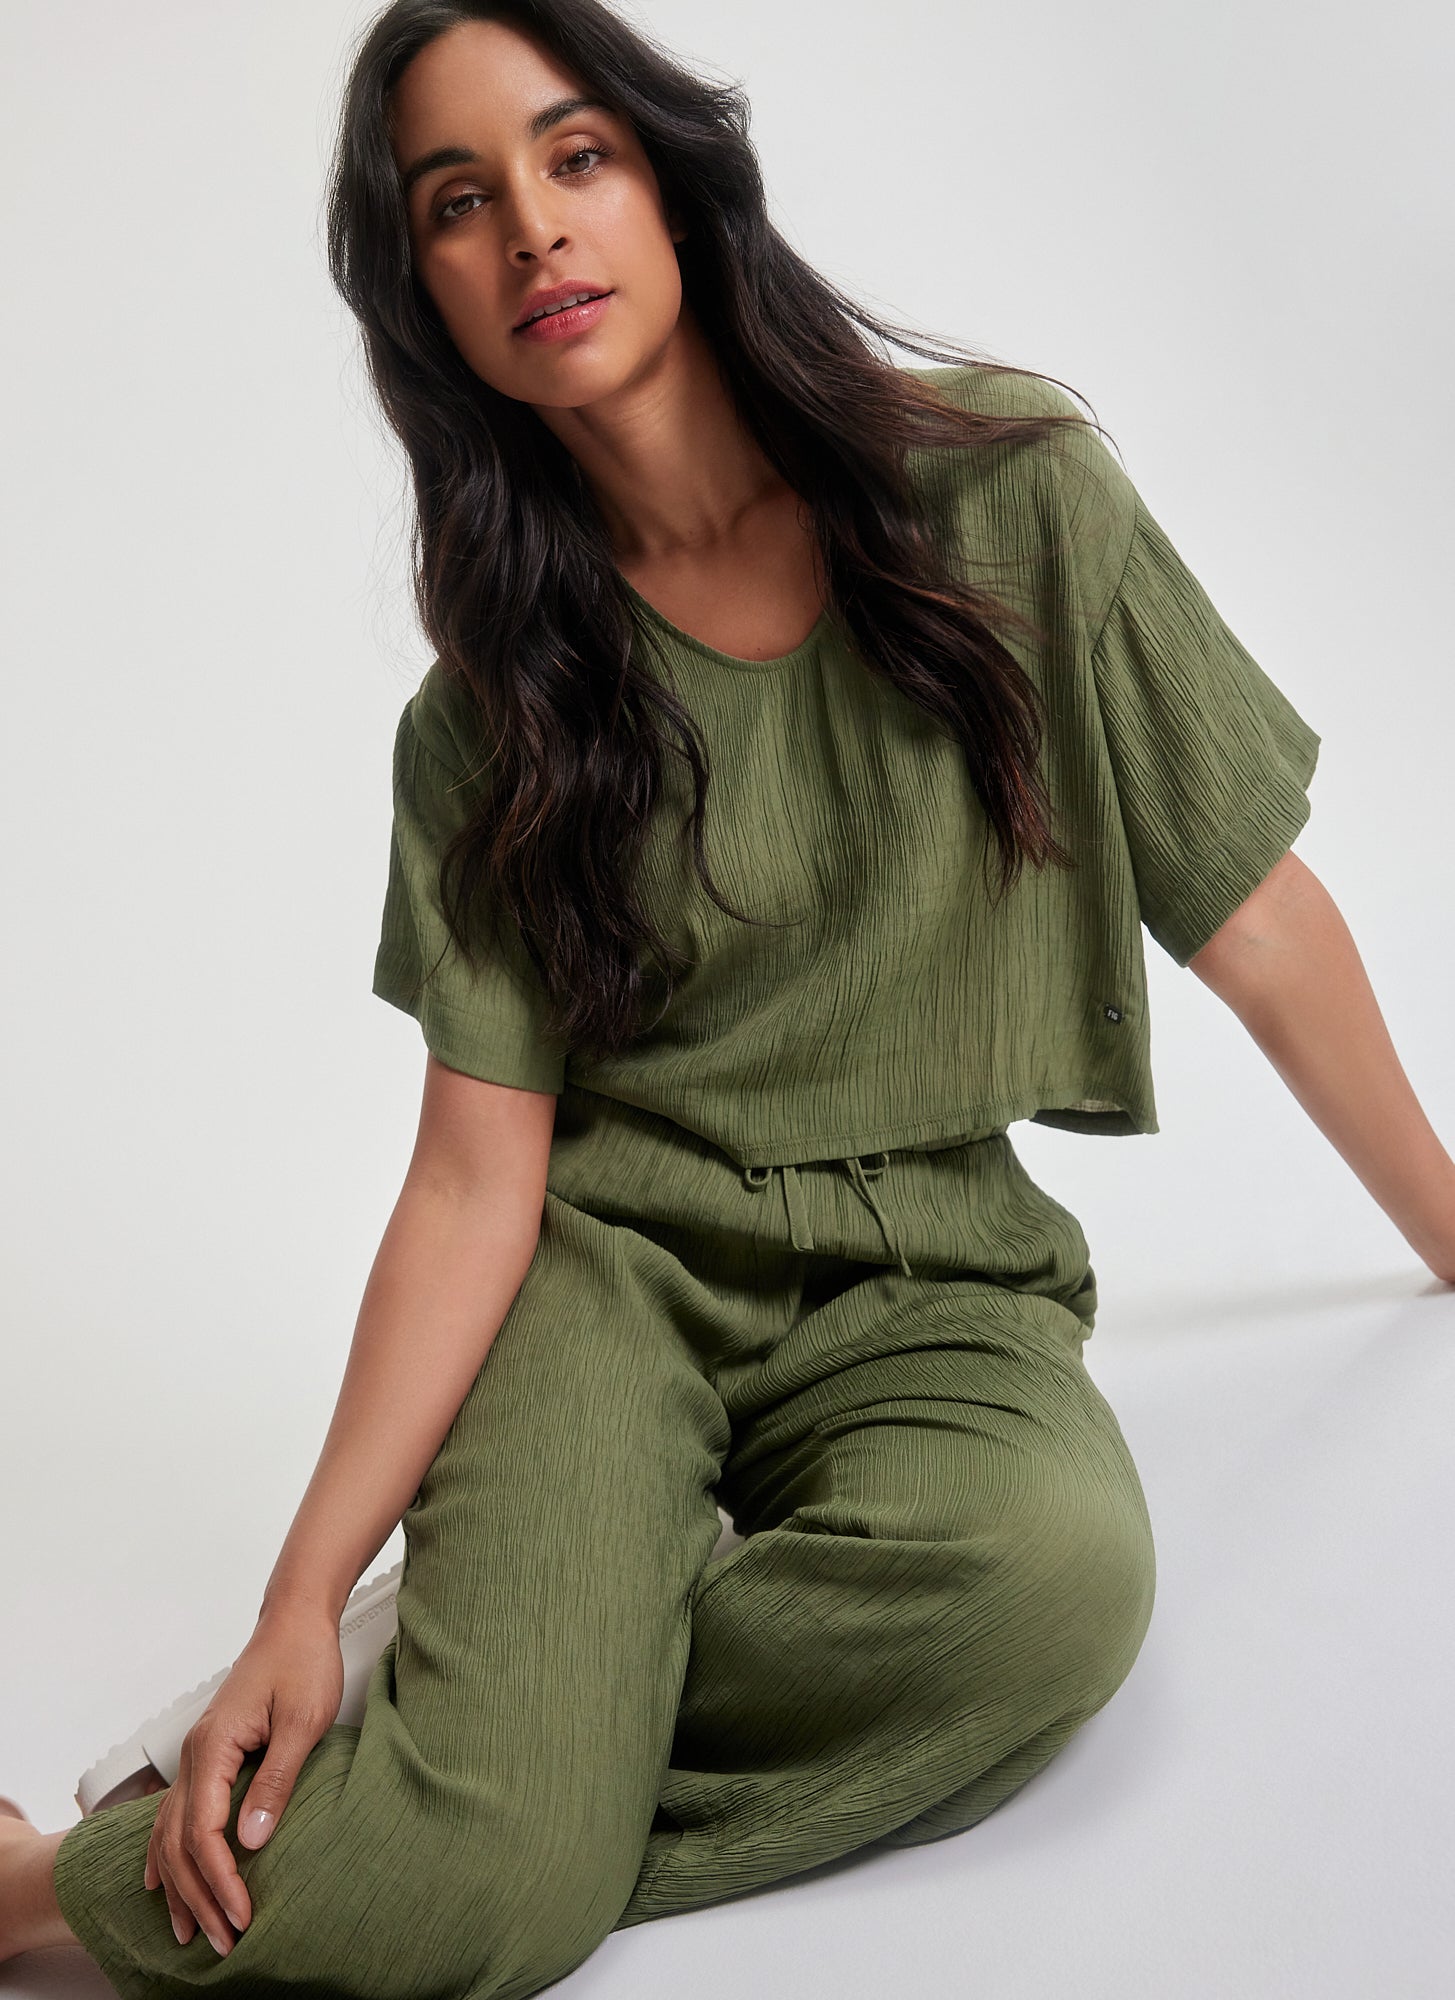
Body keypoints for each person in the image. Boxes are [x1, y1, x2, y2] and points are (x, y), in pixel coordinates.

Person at [5, 0, 1453, 1991]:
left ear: (674, 185)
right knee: (497, 1903)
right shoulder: (489, 719)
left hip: (933, 1282)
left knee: (1050, 1589)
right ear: (424, 296)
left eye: (575, 155)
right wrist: (298, 1595)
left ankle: (514, 1709)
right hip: (605, 1289)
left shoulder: (1009, 499)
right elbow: (473, 1182)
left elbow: (1254, 914)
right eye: (457, 201)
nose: (532, 228)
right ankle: (84, 1879)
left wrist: (1450, 1229)